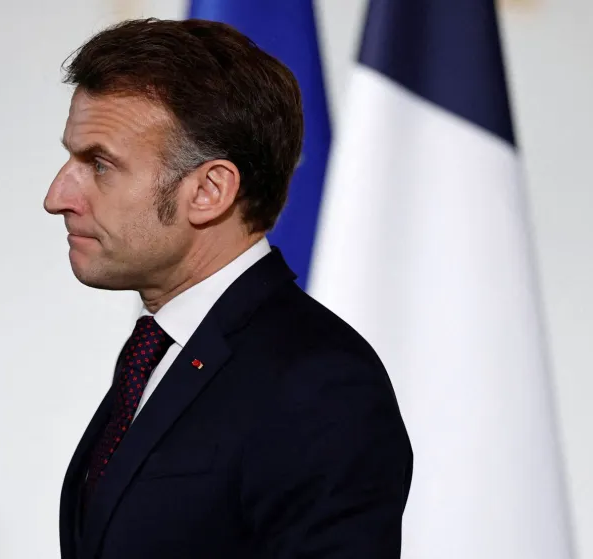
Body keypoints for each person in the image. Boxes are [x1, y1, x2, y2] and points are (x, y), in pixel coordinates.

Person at [44, 18, 412, 559]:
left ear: (209, 191)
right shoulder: (160, 351)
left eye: (99, 164)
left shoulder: (319, 383)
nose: (57, 196)